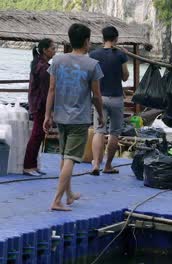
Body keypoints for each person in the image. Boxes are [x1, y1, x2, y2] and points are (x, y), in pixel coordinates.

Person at [43, 23, 104, 211]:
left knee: (64, 155)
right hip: (79, 118)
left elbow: (51, 89)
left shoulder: (58, 61)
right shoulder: (92, 64)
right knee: (70, 158)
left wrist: (47, 114)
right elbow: (96, 96)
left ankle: (68, 194)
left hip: (60, 116)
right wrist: (101, 115)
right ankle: (56, 200)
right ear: (86, 41)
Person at [89, 26, 129, 175]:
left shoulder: (93, 54)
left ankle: (95, 165)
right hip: (117, 98)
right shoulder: (120, 55)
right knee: (114, 133)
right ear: (116, 39)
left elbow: (89, 76)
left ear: (103, 38)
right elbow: (125, 76)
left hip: (100, 97)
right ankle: (108, 166)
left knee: (99, 131)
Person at [23, 38, 56, 176]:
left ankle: (33, 165)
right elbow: (47, 90)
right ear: (45, 50)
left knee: (39, 134)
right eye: (53, 48)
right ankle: (28, 166)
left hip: (37, 103)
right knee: (37, 134)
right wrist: (50, 111)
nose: (55, 51)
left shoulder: (39, 64)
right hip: (40, 104)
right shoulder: (43, 68)